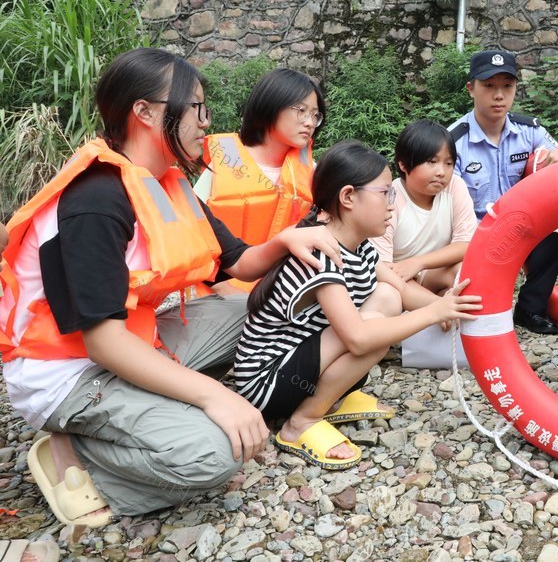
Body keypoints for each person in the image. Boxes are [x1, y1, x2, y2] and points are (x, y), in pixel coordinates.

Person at [0, 48, 343, 526]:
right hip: (69, 374)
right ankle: (77, 452)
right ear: (145, 112)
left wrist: (286, 240)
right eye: (195, 106)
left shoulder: (163, 183)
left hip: (138, 341)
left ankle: (155, 410)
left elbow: (239, 262)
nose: (206, 122)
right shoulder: (95, 199)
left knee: (263, 307)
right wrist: (213, 396)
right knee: (217, 453)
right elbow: (102, 343)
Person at [234, 140, 481, 470]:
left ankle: (330, 397)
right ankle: (301, 422)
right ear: (348, 197)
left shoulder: (359, 245)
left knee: (388, 296)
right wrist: (431, 314)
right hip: (268, 380)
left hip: (304, 358)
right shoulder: (322, 254)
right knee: (372, 336)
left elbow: (401, 289)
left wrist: (447, 305)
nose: (392, 205)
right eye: (385, 194)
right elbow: (358, 339)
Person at [448, 50, 558, 335]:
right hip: (474, 237)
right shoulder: (453, 141)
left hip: (521, 228)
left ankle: (530, 309)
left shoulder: (529, 130)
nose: (499, 95)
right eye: (489, 86)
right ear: (471, 88)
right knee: (480, 314)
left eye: (507, 86)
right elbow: (447, 209)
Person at [195, 68, 322, 293]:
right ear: (270, 107)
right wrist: (228, 293)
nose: (309, 122)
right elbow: (191, 231)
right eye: (301, 111)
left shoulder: (312, 170)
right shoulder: (224, 162)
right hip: (219, 294)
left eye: (315, 114)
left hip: (283, 294)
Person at [370, 120, 477, 295]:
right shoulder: (389, 199)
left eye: (448, 163)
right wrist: (439, 306)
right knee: (387, 292)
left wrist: (419, 262)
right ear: (403, 164)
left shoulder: (455, 186)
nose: (441, 172)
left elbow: (466, 244)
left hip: (436, 272)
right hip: (399, 280)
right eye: (432, 162)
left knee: (465, 271)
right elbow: (382, 268)